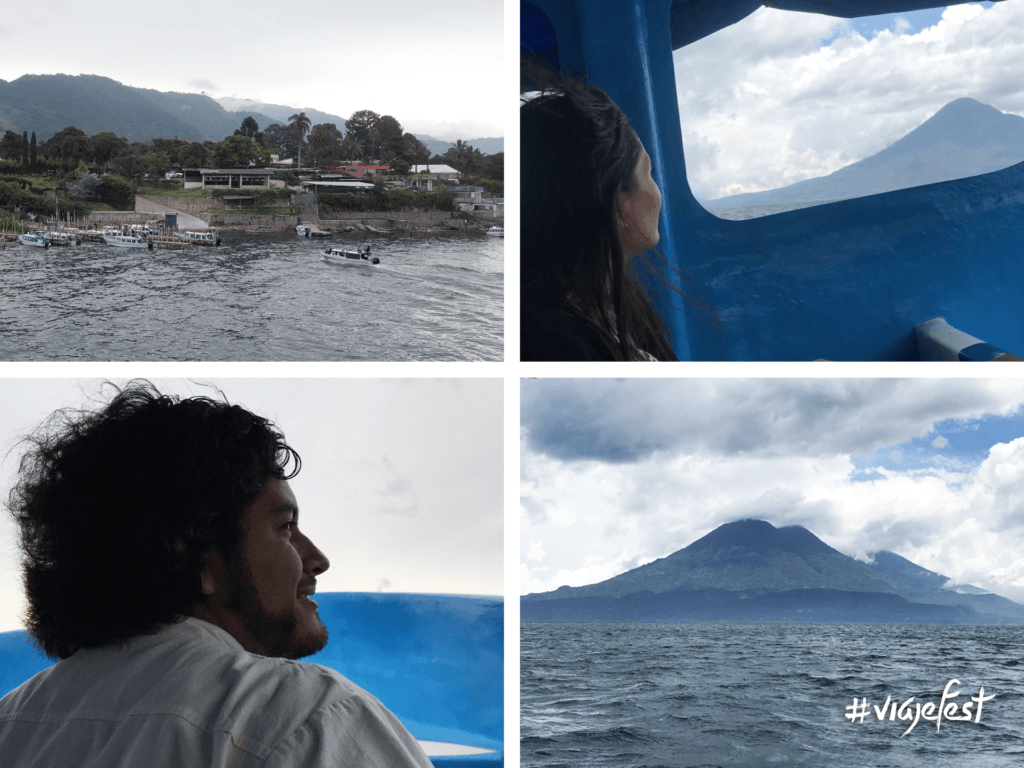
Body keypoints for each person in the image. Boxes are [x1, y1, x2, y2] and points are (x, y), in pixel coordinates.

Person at [0, 382, 431, 768]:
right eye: (284, 527)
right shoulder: (307, 718)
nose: (316, 558)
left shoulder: (11, 722)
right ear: (196, 556)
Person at [521, 65, 677, 361]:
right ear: (619, 200)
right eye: (649, 173)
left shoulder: (600, 308)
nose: (658, 192)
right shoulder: (560, 341)